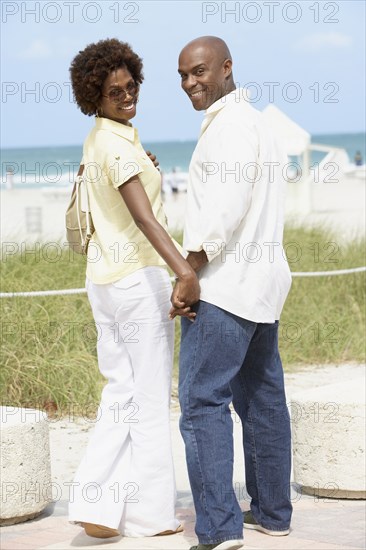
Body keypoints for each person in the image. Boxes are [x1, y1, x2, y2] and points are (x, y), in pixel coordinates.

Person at [68, 38, 199, 540]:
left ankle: (97, 504)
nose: (126, 95)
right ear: (94, 97)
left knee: (121, 393)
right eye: (113, 91)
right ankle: (149, 517)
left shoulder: (103, 138)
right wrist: (184, 273)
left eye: (131, 84)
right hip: (137, 283)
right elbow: (144, 220)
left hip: (104, 282)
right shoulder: (117, 145)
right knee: (146, 399)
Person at [170, 36, 293, 550]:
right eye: (182, 75)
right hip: (262, 288)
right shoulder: (262, 123)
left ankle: (220, 528)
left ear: (226, 67)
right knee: (263, 402)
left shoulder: (231, 128)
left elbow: (226, 207)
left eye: (199, 72)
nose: (190, 83)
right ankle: (271, 512)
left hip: (224, 289)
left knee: (202, 403)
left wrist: (189, 269)